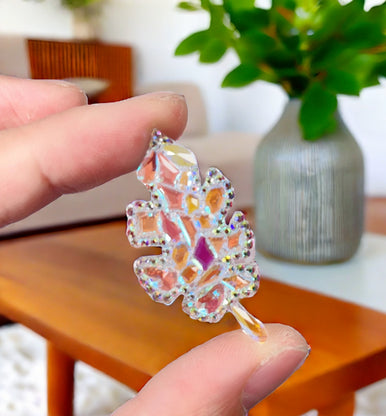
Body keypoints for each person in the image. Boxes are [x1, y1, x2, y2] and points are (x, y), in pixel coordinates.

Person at [0, 75, 309, 415]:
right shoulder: (159, 218)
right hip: (198, 270)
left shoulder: (199, 206)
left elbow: (216, 228)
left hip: (212, 269)